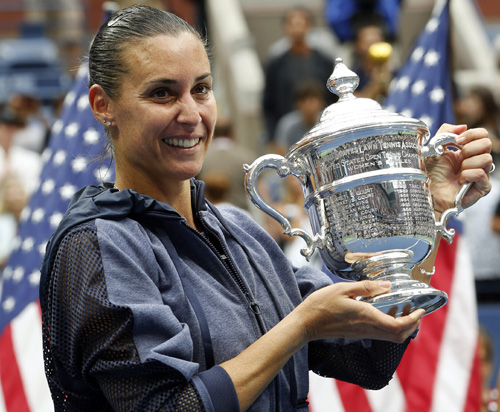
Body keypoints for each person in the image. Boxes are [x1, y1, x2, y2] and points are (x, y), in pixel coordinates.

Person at [39, 5, 493, 412]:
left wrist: (423, 215)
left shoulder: (241, 230)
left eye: (201, 89)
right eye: (162, 93)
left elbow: (367, 357)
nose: (191, 113)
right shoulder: (96, 246)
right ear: (103, 106)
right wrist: (299, 327)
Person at [262, 6, 336, 147]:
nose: (297, 28)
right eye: (293, 24)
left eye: (301, 23)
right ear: (286, 27)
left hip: (322, 130)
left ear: (309, 26)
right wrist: (272, 136)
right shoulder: (276, 64)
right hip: (288, 134)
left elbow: (333, 97)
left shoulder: (324, 61)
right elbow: (268, 103)